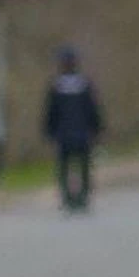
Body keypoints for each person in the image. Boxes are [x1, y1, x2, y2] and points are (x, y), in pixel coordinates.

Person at [42, 46, 104, 213]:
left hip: (64, 134)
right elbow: (93, 110)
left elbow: (50, 112)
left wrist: (49, 132)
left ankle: (67, 197)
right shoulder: (84, 85)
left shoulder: (56, 86)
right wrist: (97, 129)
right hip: (82, 134)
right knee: (83, 166)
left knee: (64, 166)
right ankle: (82, 197)